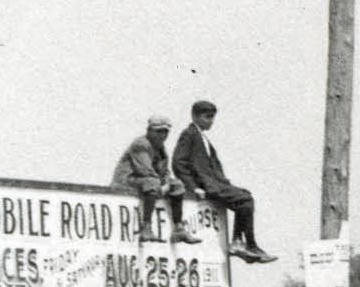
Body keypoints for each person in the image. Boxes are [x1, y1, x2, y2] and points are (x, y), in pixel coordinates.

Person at [172, 100, 277, 263]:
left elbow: (214, 166)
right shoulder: (189, 134)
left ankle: (238, 242)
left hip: (217, 184)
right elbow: (178, 163)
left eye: (212, 117)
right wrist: (193, 187)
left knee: (245, 197)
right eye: (207, 117)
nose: (211, 121)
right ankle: (247, 244)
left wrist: (225, 183)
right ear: (195, 116)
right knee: (246, 200)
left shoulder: (203, 138)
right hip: (207, 186)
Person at [114, 117, 195, 246]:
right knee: (152, 182)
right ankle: (146, 227)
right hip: (126, 181)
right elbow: (145, 170)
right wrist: (163, 186)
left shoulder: (160, 149)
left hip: (146, 181)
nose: (162, 135)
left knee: (178, 185)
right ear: (149, 130)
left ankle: (179, 229)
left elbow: (165, 171)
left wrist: (169, 183)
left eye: (165, 131)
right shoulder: (141, 144)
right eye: (158, 131)